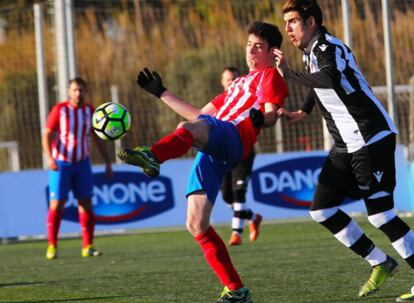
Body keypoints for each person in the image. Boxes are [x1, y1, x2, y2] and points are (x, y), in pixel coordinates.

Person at [117, 21, 288, 303]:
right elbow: (199, 115)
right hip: (213, 142)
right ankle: (236, 290)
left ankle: (153, 156)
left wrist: (261, 120)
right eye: (249, 46)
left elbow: (272, 113)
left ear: (272, 52)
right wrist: (162, 92)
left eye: (259, 47)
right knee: (196, 224)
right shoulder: (237, 84)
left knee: (189, 128)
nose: (252, 52)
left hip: (235, 137)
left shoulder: (271, 76)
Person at [274, 0, 414, 301]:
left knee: (381, 216)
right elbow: (319, 84)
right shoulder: (311, 53)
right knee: (321, 210)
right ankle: (380, 262)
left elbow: (330, 78)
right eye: (286, 23)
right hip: (345, 145)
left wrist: (288, 75)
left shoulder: (327, 47)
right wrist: (303, 110)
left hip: (370, 137)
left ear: (311, 21)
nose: (288, 29)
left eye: (293, 22)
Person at [42, 77, 113, 260]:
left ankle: (87, 246)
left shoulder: (90, 111)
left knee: (86, 202)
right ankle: (52, 246)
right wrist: (49, 157)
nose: (78, 93)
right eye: (75, 90)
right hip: (61, 163)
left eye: (81, 90)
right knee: (57, 204)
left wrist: (107, 161)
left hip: (82, 163)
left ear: (85, 91)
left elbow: (98, 137)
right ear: (68, 92)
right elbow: (47, 134)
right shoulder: (60, 110)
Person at [219, 67, 263, 246]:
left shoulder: (248, 100)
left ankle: (236, 233)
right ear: (222, 82)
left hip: (244, 151)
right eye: (227, 79)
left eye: (234, 79)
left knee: (239, 191)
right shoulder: (220, 104)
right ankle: (253, 217)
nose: (231, 82)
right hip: (224, 153)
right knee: (227, 196)